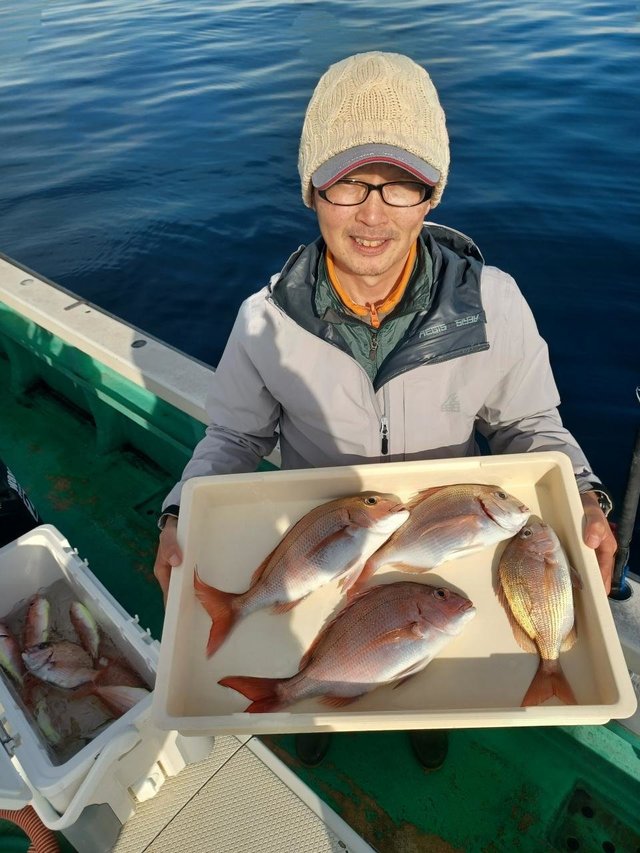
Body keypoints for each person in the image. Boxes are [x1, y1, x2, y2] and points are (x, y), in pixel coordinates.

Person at [153, 51, 616, 770]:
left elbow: (533, 429)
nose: (372, 212)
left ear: (433, 195)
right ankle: (307, 711)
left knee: (433, 674)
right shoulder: (264, 321)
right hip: (323, 564)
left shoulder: (495, 304)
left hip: (449, 562)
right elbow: (233, 436)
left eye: (400, 185)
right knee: (312, 691)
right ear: (312, 190)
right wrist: (180, 511)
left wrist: (586, 493)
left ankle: (423, 718)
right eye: (348, 182)